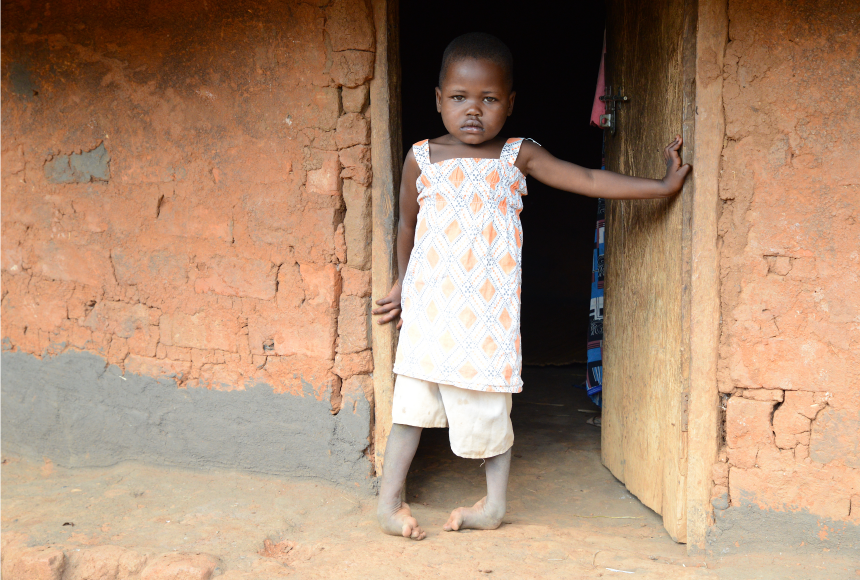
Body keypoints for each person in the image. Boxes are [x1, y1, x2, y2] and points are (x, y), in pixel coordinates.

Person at [371, 32, 690, 541]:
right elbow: (407, 226)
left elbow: (586, 180)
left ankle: (494, 505)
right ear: (438, 99)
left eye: (489, 99)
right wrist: (402, 282)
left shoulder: (516, 156)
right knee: (410, 405)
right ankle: (389, 504)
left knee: (492, 407)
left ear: (510, 103)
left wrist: (661, 185)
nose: (472, 111)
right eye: (458, 98)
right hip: (430, 311)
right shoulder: (422, 159)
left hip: (487, 317)